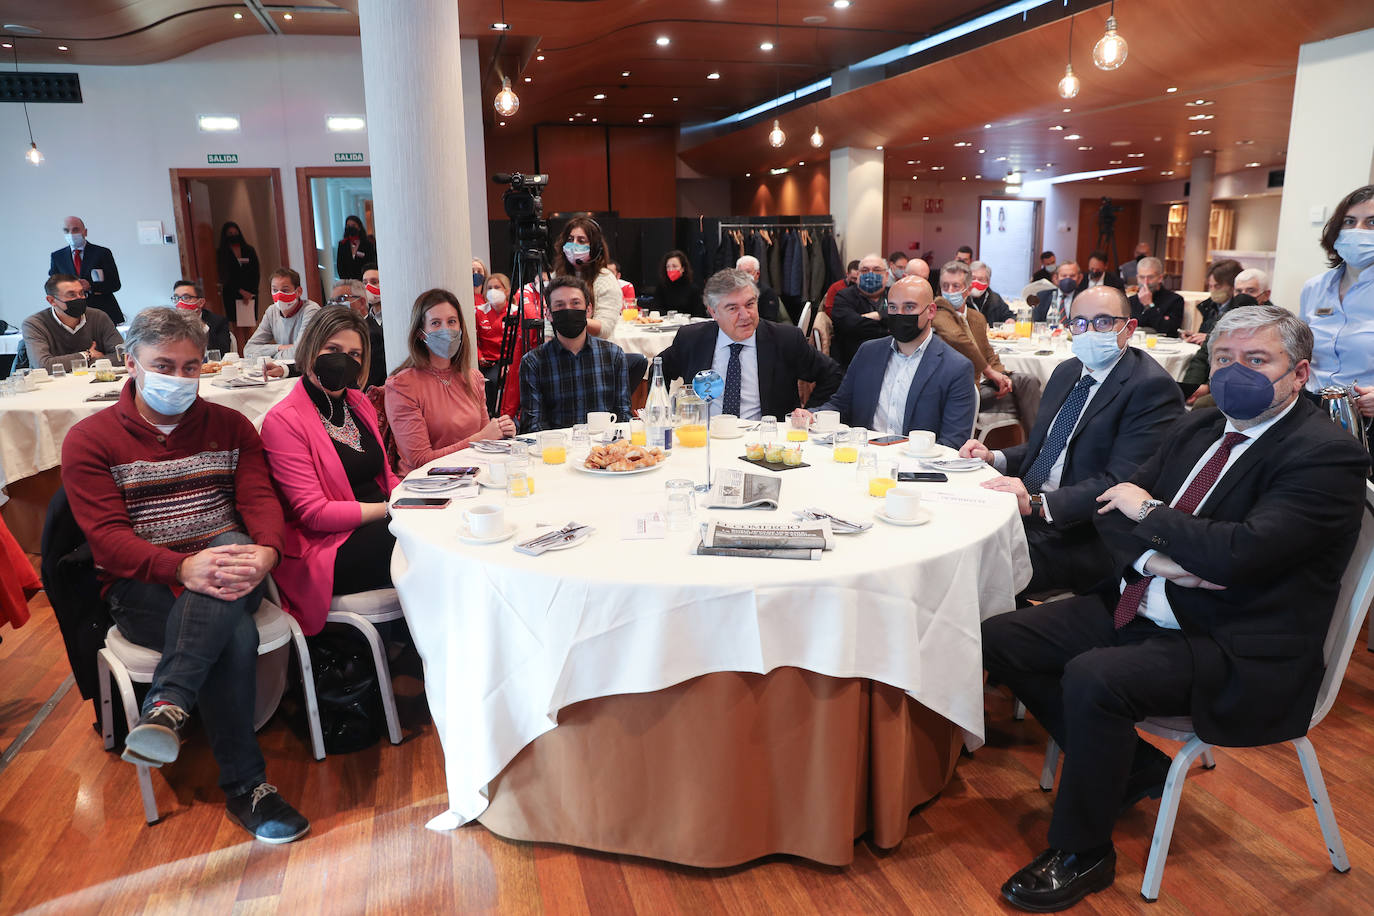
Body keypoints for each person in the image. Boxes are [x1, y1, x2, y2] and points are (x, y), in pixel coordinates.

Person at [982, 305, 1368, 911]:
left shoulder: (1325, 455)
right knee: (1003, 636)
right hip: (1150, 598)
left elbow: (1238, 556)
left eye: (1257, 360)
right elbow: (1112, 507)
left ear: (1299, 373)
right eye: (1223, 359)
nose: (1236, 372)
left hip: (1238, 641)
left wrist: (1152, 517)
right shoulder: (1199, 425)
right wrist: (1161, 559)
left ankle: (1084, 850)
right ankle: (1132, 767)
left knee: (1093, 677)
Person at [61, 307, 309, 843]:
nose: (179, 379)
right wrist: (180, 566)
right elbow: (107, 540)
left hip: (229, 566)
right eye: (164, 365)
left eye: (191, 367)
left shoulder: (231, 426)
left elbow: (260, 500)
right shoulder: (90, 440)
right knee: (234, 631)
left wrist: (268, 550)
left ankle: (168, 705)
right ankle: (248, 787)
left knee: (231, 542)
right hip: (143, 584)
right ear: (132, 364)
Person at [962, 287, 1185, 593]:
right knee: (952, 532)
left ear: (1128, 328)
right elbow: (1050, 446)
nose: (1089, 331)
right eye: (1080, 323)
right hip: (1026, 509)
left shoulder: (1150, 387)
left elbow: (1121, 482)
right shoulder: (1068, 371)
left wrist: (1039, 504)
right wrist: (994, 458)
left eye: (1103, 322)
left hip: (1079, 530)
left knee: (972, 569)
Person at [260, 309, 398, 636]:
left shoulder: (358, 403)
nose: (343, 361)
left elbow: (387, 478)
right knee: (419, 544)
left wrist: (422, 498)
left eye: (354, 354)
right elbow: (314, 513)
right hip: (324, 545)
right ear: (311, 347)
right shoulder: (284, 420)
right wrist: (392, 511)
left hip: (378, 523)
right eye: (333, 350)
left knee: (434, 532)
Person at [803, 276, 974, 448]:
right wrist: (812, 415)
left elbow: (953, 442)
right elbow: (841, 404)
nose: (899, 314)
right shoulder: (868, 352)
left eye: (909, 307)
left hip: (916, 465)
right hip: (863, 457)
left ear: (931, 311)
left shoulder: (955, 367)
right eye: (893, 307)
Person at [657, 268, 842, 422]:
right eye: (733, 308)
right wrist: (661, 414)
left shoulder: (785, 339)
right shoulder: (692, 339)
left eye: (750, 304)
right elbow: (659, 368)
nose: (745, 315)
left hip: (765, 441)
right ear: (713, 312)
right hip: (705, 437)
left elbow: (832, 374)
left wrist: (811, 411)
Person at [385, 288, 516, 473]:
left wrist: (502, 431)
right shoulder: (402, 386)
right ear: (421, 333)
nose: (446, 330)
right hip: (426, 487)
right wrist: (479, 439)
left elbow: (487, 438)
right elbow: (420, 461)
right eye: (436, 323)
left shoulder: (473, 377)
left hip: (472, 476)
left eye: (452, 322)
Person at [933, 260, 1041, 435]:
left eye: (955, 286)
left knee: (1029, 382)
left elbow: (988, 352)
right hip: (967, 384)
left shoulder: (976, 317)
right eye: (945, 286)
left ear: (968, 289)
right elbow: (959, 339)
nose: (950, 291)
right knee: (1027, 399)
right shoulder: (938, 311)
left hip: (988, 380)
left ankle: (1034, 447)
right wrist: (990, 372)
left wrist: (1002, 376)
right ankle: (1030, 445)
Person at [519, 276, 632, 433]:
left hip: (603, 450)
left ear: (588, 310)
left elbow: (623, 417)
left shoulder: (614, 355)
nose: (568, 309)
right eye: (560, 305)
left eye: (575, 303)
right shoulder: (533, 362)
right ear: (548, 314)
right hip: (557, 451)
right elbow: (534, 425)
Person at [1302, 185, 1374, 419]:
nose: (1358, 231)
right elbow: (1299, 351)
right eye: (1350, 221)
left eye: (1371, 223)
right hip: (1310, 408)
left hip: (1366, 413)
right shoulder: (1314, 287)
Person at [22, 274, 124, 373]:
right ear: (52, 300)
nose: (79, 298)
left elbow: (123, 355)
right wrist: (87, 355)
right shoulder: (34, 324)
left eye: (81, 293)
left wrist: (79, 363)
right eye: (71, 295)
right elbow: (43, 365)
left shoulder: (98, 317)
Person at [552, 216, 621, 337]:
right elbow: (549, 326)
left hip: (597, 349)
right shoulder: (556, 275)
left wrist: (570, 317)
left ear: (595, 248)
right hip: (560, 349)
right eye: (570, 239)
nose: (574, 245)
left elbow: (605, 329)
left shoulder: (605, 279)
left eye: (581, 241)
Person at [49, 216, 123, 324]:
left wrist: (91, 286)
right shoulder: (58, 256)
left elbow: (115, 284)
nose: (71, 234)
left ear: (85, 232)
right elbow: (53, 285)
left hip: (102, 311)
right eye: (66, 231)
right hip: (72, 313)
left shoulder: (102, 253)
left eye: (75, 230)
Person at [244, 268, 321, 359]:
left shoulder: (311, 311)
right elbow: (248, 350)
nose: (279, 295)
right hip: (282, 368)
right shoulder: (271, 312)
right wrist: (279, 348)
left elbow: (301, 353)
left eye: (285, 290)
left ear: (298, 292)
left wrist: (269, 357)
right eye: (275, 290)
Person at [831, 253, 891, 366]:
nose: (871, 274)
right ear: (858, 275)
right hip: (854, 361)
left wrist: (879, 315)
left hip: (891, 359)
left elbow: (904, 319)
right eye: (865, 270)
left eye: (877, 270)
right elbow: (850, 325)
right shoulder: (843, 296)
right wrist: (888, 327)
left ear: (886, 275)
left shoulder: (895, 295)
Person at [1182, 258, 1243, 345]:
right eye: (1210, 286)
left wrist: (1209, 338)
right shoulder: (1209, 306)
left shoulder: (1241, 308)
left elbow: (1237, 341)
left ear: (1233, 286)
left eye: (1217, 286)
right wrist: (1195, 337)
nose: (1213, 290)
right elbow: (1205, 335)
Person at [171, 279, 233, 355]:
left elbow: (222, 352)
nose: (180, 303)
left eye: (186, 297)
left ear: (201, 302)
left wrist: (200, 324)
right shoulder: (170, 323)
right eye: (176, 298)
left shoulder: (218, 321)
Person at [1128, 257, 1184, 337]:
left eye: (1150, 277)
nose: (1145, 282)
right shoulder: (1131, 301)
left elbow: (1169, 330)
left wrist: (1149, 305)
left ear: (1160, 278)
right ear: (1137, 278)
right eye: (1142, 277)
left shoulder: (1175, 300)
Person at [476, 272, 512, 399]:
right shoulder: (478, 311)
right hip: (485, 362)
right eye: (489, 288)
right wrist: (479, 356)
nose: (493, 291)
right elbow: (472, 339)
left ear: (507, 291)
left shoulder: (515, 312)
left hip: (508, 362)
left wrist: (509, 365)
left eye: (497, 287)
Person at [216, 221, 260, 319]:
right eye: (230, 234)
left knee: (250, 325)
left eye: (235, 233)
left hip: (250, 293)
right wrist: (240, 291)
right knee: (236, 326)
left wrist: (250, 292)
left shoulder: (249, 250)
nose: (233, 236)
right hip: (232, 293)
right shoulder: (221, 253)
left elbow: (256, 273)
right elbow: (224, 275)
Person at [651, 249, 704, 318]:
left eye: (674, 266)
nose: (671, 270)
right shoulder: (661, 287)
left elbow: (699, 314)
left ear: (682, 269)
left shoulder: (693, 289)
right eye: (668, 267)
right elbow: (656, 309)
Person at [360, 264, 385, 389]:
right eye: (365, 283)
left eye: (374, 282)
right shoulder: (362, 323)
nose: (368, 287)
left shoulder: (396, 321)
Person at [735, 255, 781, 322]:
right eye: (740, 272)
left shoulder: (767, 293)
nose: (744, 275)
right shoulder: (732, 291)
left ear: (757, 274)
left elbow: (769, 320)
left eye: (748, 272)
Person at [334, 215, 375, 281]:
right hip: (348, 282)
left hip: (364, 280)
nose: (350, 227)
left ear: (359, 227)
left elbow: (370, 262)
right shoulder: (342, 244)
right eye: (348, 225)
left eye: (353, 225)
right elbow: (340, 265)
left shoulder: (367, 244)